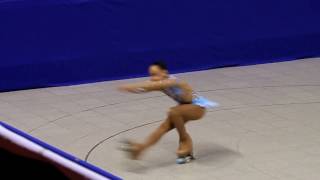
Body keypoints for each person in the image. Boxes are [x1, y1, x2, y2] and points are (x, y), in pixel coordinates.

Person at [118, 61, 218, 164]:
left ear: (164, 72)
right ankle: (140, 149)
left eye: (154, 74)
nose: (152, 78)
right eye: (151, 75)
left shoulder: (175, 82)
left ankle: (184, 140)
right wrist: (134, 90)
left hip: (198, 108)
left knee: (173, 111)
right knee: (163, 127)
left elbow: (151, 86)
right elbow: (144, 89)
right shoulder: (161, 84)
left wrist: (131, 86)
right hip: (183, 109)